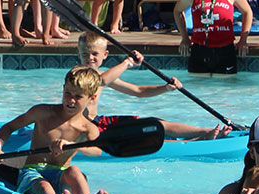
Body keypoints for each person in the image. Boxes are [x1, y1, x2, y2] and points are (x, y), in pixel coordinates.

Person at [0, 66, 109, 194]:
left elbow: (97, 150)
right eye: (68, 93)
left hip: (61, 173)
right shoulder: (42, 112)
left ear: (92, 98)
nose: (71, 100)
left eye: (78, 96)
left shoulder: (88, 128)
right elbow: (9, 126)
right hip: (32, 171)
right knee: (44, 186)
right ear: (63, 89)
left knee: (74, 171)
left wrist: (74, 146)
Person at [76, 31, 230, 140]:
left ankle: (206, 131)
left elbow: (138, 91)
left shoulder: (105, 74)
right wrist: (127, 63)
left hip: (99, 121)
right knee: (143, 135)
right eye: (85, 54)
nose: (90, 57)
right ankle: (194, 141)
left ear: (105, 55)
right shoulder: (77, 74)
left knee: (155, 123)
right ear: (79, 54)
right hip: (87, 128)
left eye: (94, 54)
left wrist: (165, 88)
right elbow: (100, 80)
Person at [174, 0, 253, 75]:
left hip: (225, 49)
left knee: (224, 90)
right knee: (198, 88)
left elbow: (247, 12)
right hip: (199, 49)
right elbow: (177, 11)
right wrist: (185, 38)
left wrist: (243, 40)